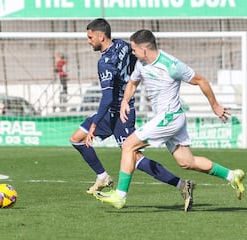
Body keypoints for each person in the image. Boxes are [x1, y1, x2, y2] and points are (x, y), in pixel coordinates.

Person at [94, 29, 245, 209]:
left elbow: (201, 81)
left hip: (170, 117)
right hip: (168, 117)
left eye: (134, 50)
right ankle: (232, 175)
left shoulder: (172, 65)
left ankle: (120, 196)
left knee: (128, 145)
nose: (131, 53)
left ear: (144, 50)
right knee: (187, 162)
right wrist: (125, 100)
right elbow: (133, 83)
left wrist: (215, 106)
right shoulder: (141, 64)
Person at [70, 18, 195, 212]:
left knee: (135, 157)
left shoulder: (104, 63)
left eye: (90, 37)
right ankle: (103, 176)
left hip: (121, 112)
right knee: (77, 139)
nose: (88, 41)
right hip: (112, 111)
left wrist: (95, 124)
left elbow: (107, 96)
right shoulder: (122, 44)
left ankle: (182, 185)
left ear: (101, 36)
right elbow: (139, 55)